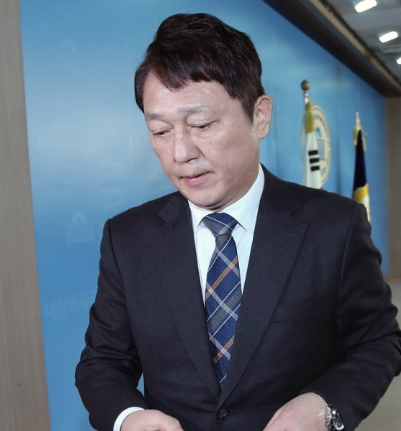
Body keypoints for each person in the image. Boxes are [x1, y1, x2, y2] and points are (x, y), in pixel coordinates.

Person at [75, 13, 401, 431]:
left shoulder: (334, 227)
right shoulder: (128, 239)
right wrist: (128, 418)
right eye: (160, 132)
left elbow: (378, 342)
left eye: (202, 125)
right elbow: (102, 361)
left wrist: (326, 406)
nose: (181, 153)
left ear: (259, 116)